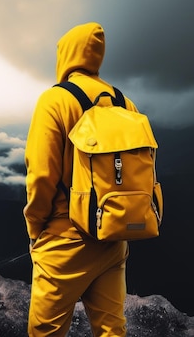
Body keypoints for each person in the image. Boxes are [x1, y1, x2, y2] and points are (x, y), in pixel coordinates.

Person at [24, 22, 141, 336]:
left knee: (45, 332)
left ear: (65, 56)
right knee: (111, 330)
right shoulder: (124, 102)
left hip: (65, 239)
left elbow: (41, 175)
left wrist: (36, 229)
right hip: (113, 236)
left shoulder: (55, 100)